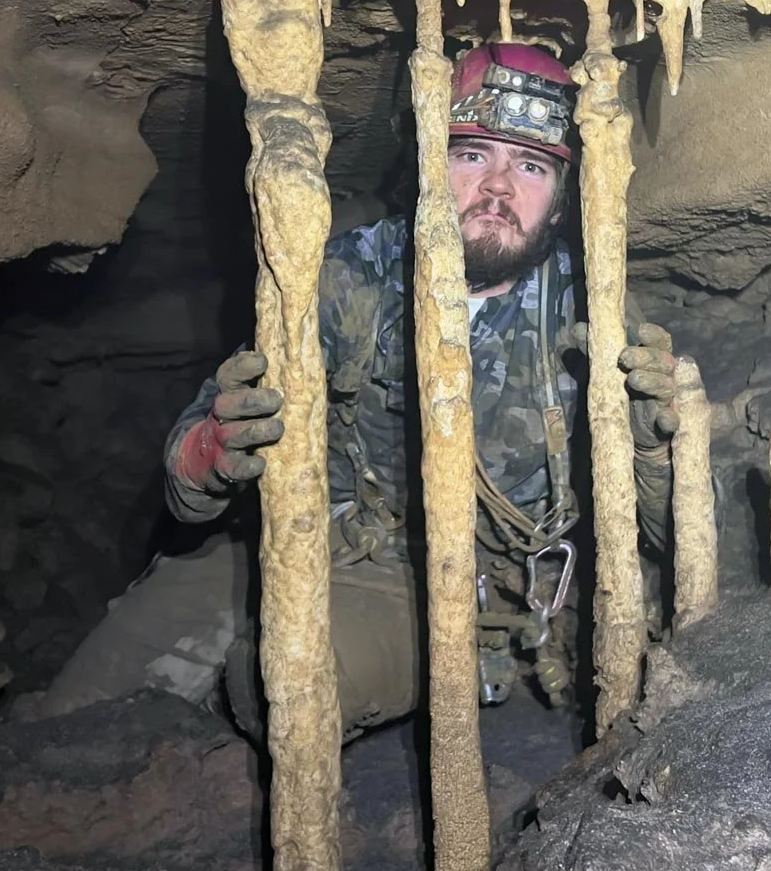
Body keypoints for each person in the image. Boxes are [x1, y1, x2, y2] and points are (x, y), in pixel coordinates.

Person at [34, 42, 679, 738]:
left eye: (529, 166)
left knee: (286, 687)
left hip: (430, 586)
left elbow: (667, 536)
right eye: (471, 156)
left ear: (562, 201)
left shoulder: (592, 316)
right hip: (276, 542)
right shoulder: (353, 272)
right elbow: (187, 490)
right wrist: (208, 454)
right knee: (71, 719)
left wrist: (649, 453)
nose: (497, 188)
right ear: (429, 166)